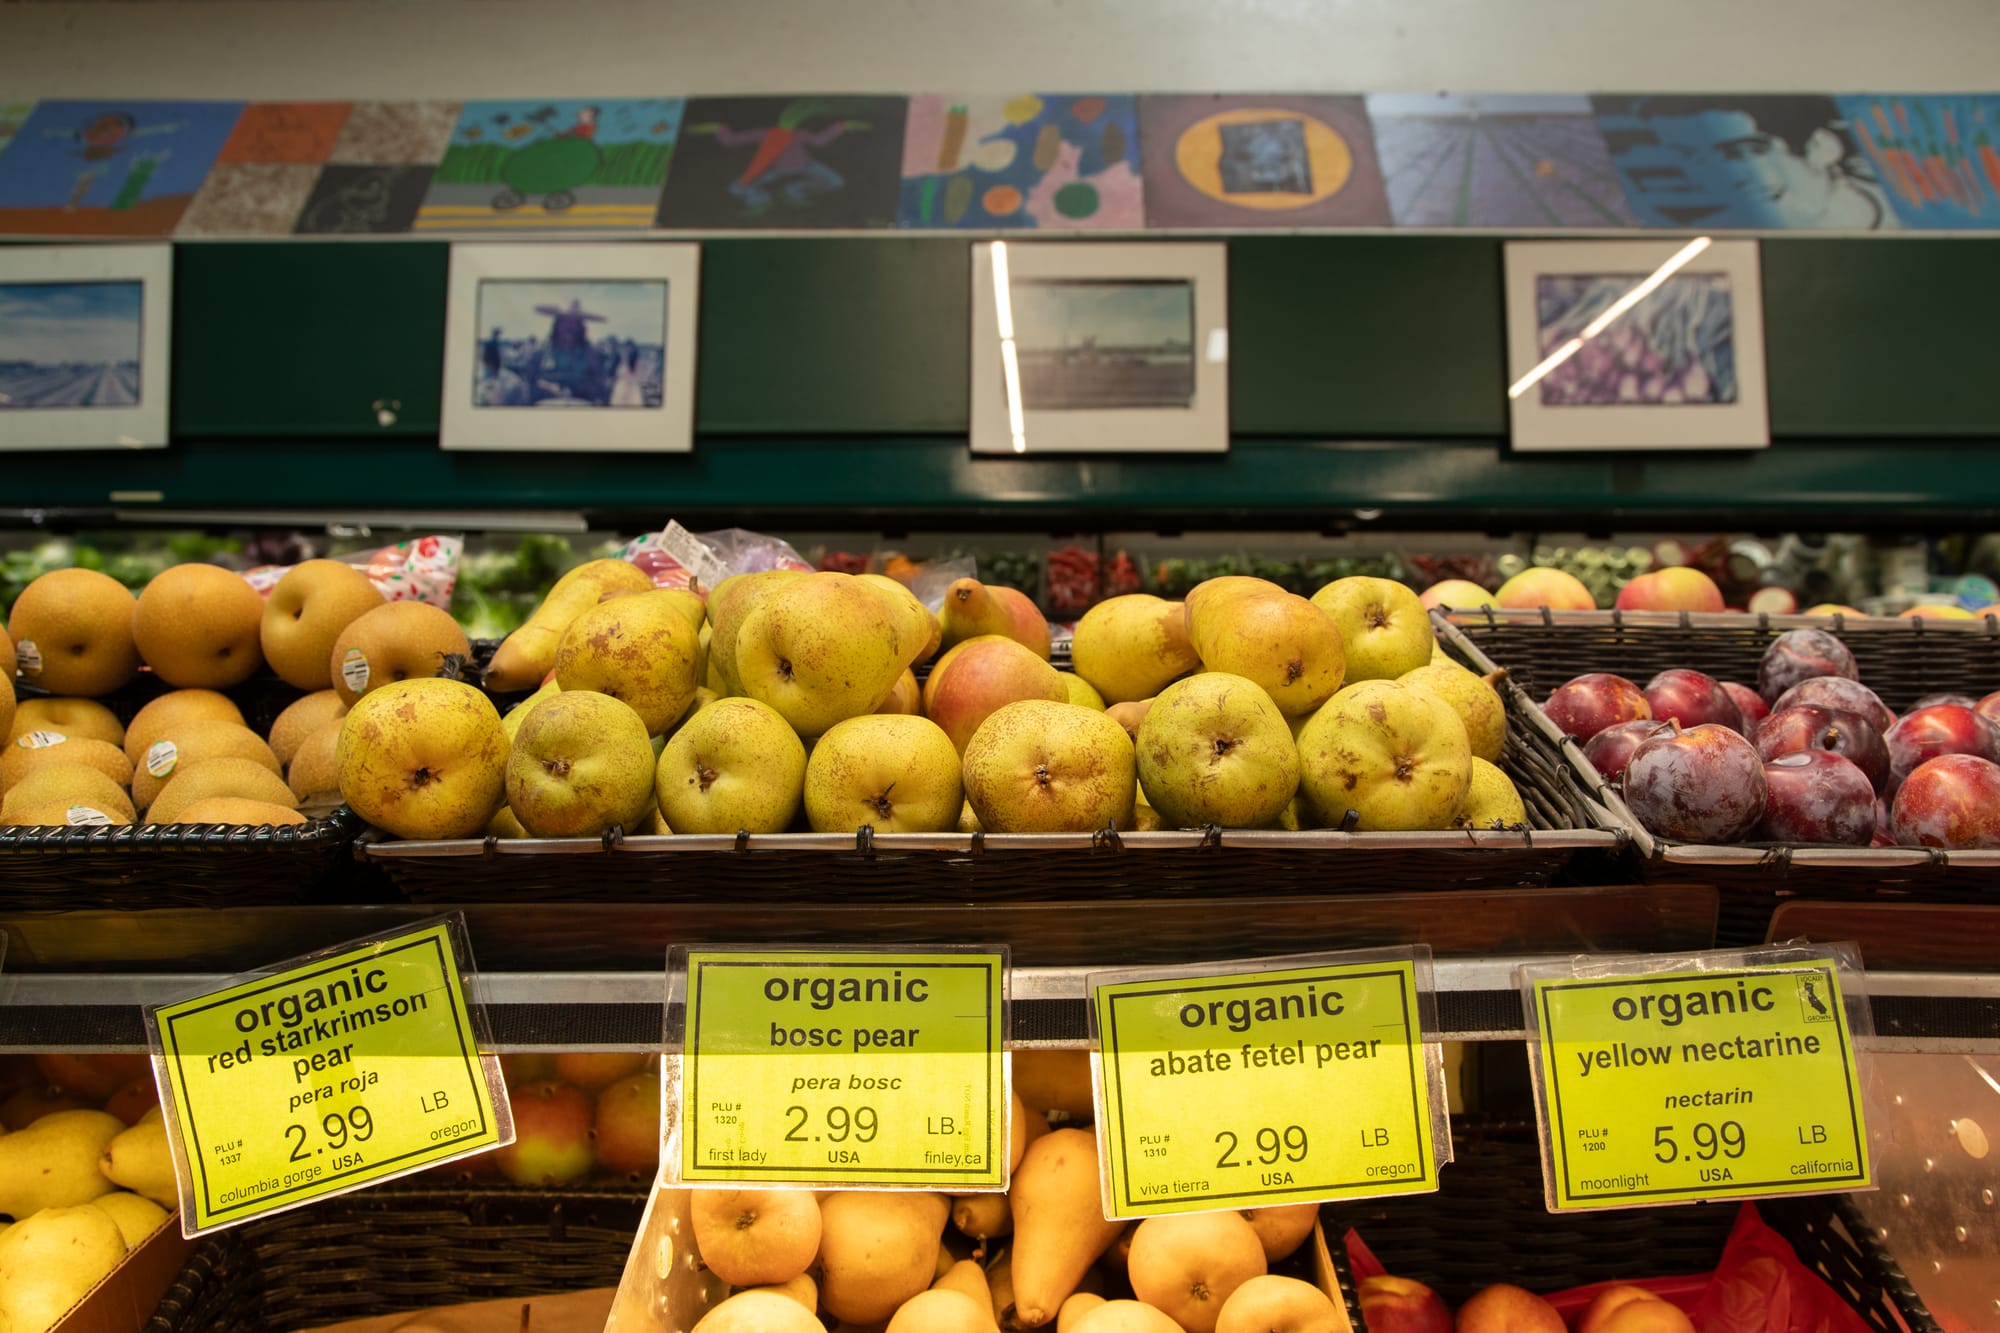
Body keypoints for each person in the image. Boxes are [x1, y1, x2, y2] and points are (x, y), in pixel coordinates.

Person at [1596, 95, 1895, 229]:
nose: (1725, 177)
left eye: (1745, 151)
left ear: (1821, 147)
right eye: (1692, 158)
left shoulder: (1911, 218)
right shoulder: (1703, 240)